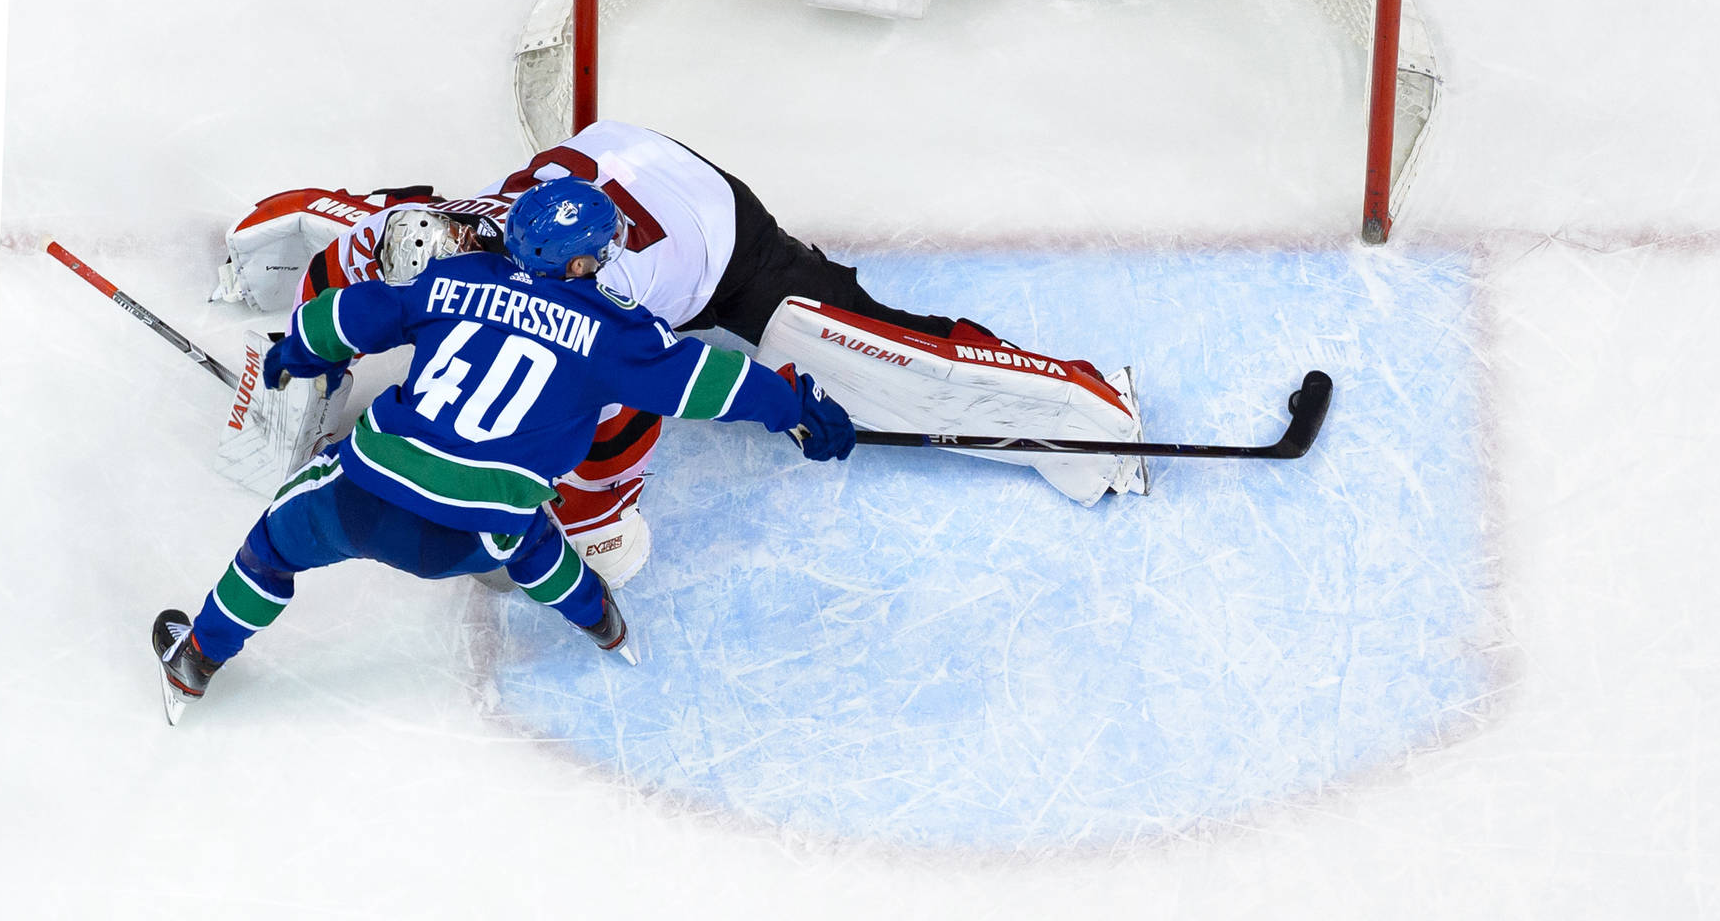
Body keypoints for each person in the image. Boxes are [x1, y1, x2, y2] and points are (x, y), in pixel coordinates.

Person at [211, 121, 1147, 587]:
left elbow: (660, 391)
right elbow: (347, 243)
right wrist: (302, 349)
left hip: (717, 241)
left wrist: (786, 402)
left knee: (857, 356)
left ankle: (1078, 396)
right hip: (605, 156)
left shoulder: (596, 310)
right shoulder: (423, 237)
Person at [154, 176, 857, 725]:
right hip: (478, 537)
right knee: (531, 543)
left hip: (364, 499)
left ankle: (197, 657)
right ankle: (603, 622)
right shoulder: (618, 333)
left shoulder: (453, 280)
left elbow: (354, 315)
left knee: (274, 546)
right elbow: (716, 383)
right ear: (583, 261)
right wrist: (798, 408)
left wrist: (295, 355)